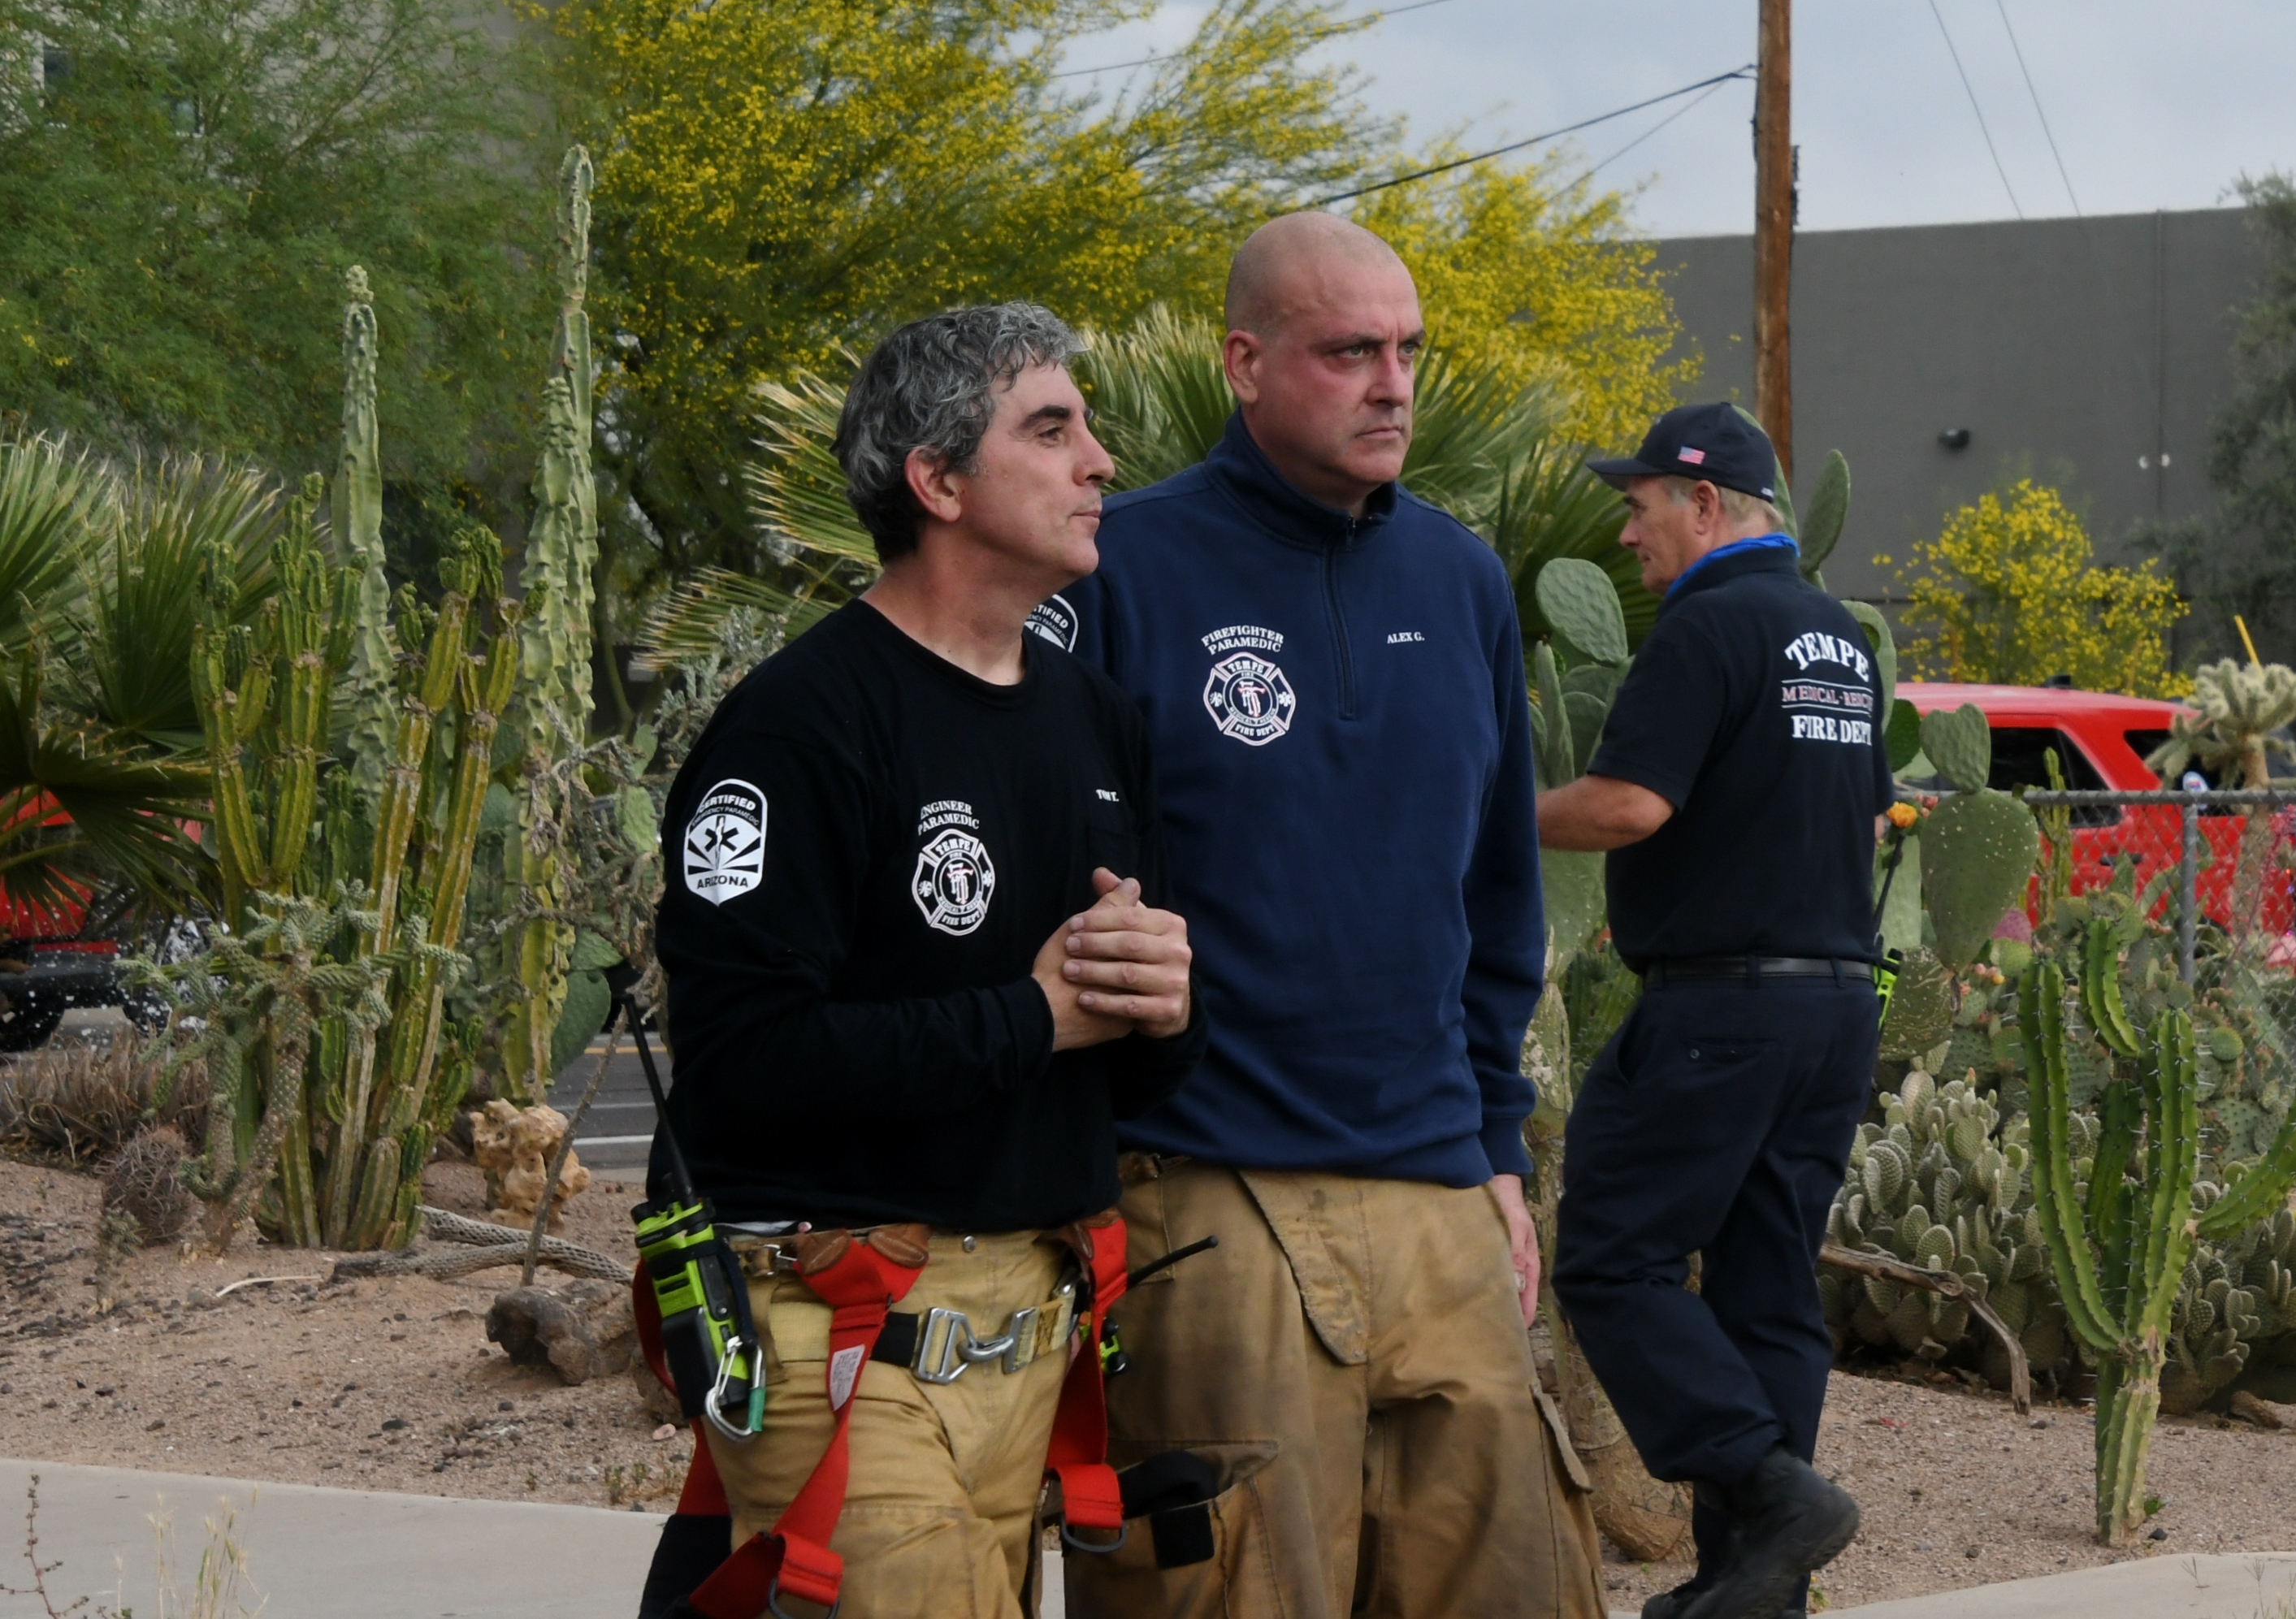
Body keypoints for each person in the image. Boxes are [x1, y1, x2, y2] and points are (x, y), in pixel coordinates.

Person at [1058, 214, 1604, 1618]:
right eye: (1349, 351)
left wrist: (1495, 1148)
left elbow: (1496, 894)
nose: (1392, 384)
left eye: (1408, 349)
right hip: (1210, 1190)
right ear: (1244, 362)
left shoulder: (1461, 578)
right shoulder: (1122, 568)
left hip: (1440, 1189)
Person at [642, 303, 1205, 1619]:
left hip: (1039, 1336)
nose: (1100, 460)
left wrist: (1164, 1004)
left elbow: (1131, 1077)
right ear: (938, 481)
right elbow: (740, 1065)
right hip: (850, 1335)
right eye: (1050, 430)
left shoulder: (1099, 721)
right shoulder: (798, 725)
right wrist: (1033, 1016)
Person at [1540, 403, 1889, 1619]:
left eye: (1638, 507)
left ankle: (1767, 1488)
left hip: (1718, 1008)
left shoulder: (1706, 624)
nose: (1625, 534)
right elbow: (1861, 812)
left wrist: (1482, 816)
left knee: (1610, 1257)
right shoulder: (1836, 635)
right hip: (1835, 1006)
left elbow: (1630, 805)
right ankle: (1754, 1591)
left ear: (1702, 503)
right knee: (1766, 1288)